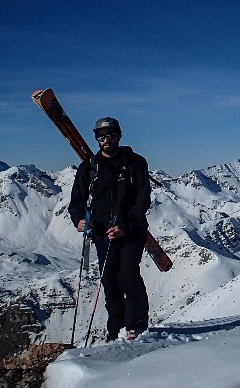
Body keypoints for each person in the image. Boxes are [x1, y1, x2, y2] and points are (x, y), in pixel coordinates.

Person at [68, 117, 152, 341]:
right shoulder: (89, 168)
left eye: (111, 135)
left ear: (119, 136)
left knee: (128, 276)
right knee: (110, 282)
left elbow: (142, 201)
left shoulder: (135, 163)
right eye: (101, 136)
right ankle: (115, 331)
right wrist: (78, 220)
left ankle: (136, 328)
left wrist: (125, 226)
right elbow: (76, 202)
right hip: (102, 235)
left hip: (132, 232)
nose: (107, 140)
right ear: (96, 139)